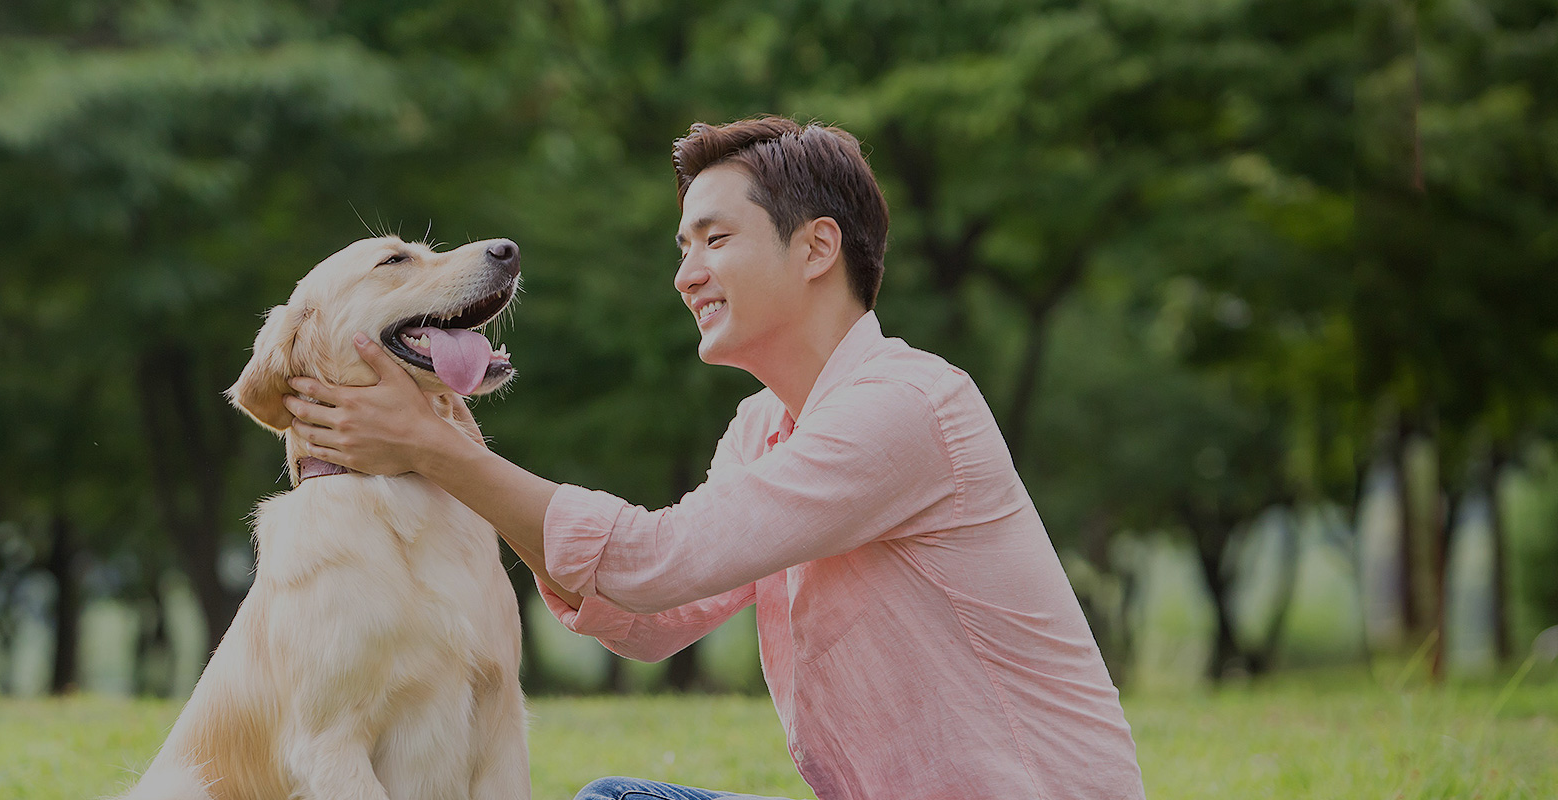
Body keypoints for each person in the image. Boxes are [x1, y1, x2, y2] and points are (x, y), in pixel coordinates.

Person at [280, 117, 1146, 800]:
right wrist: (446, 444)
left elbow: (658, 561)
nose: (686, 275)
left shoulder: (904, 406)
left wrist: (432, 449)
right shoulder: (763, 427)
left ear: (816, 248)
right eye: (683, 249)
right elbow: (653, 618)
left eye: (715, 240)